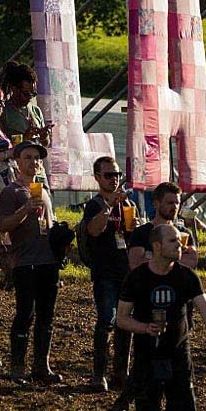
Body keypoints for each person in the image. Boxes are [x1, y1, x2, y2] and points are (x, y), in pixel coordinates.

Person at [117, 223, 206, 411]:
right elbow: (121, 318)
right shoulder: (137, 277)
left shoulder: (186, 276)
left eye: (179, 240)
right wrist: (144, 328)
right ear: (156, 246)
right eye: (173, 241)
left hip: (178, 356)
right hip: (147, 357)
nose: (180, 245)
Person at [107, 181, 199, 411]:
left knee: (177, 360)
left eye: (177, 204)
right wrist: (162, 261)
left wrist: (174, 261)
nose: (174, 208)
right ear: (156, 203)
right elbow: (135, 263)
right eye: (169, 202)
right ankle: (129, 405)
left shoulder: (182, 234)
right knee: (144, 362)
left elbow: (190, 269)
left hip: (178, 307)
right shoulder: (142, 232)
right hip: (146, 306)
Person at [0, 140, 61, 384]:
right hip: (25, 262)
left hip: (48, 261)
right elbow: (2, 225)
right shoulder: (11, 192)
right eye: (28, 157)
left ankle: (41, 365)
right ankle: (17, 367)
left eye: (37, 158)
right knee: (25, 314)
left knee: (47, 316)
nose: (34, 162)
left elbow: (49, 223)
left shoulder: (43, 190)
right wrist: (24, 209)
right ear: (17, 161)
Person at [81, 156, 135, 393]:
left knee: (125, 322)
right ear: (97, 178)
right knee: (106, 321)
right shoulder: (95, 205)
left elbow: (132, 235)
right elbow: (93, 230)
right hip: (104, 271)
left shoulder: (127, 204)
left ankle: (121, 371)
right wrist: (110, 205)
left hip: (126, 271)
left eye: (117, 175)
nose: (114, 180)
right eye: (108, 175)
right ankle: (98, 373)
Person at [0, 61, 52, 146]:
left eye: (33, 94)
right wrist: (24, 138)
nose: (30, 98)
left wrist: (44, 136)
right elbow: (1, 145)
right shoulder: (3, 112)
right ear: (14, 88)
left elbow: (45, 144)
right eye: (26, 94)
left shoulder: (36, 110)